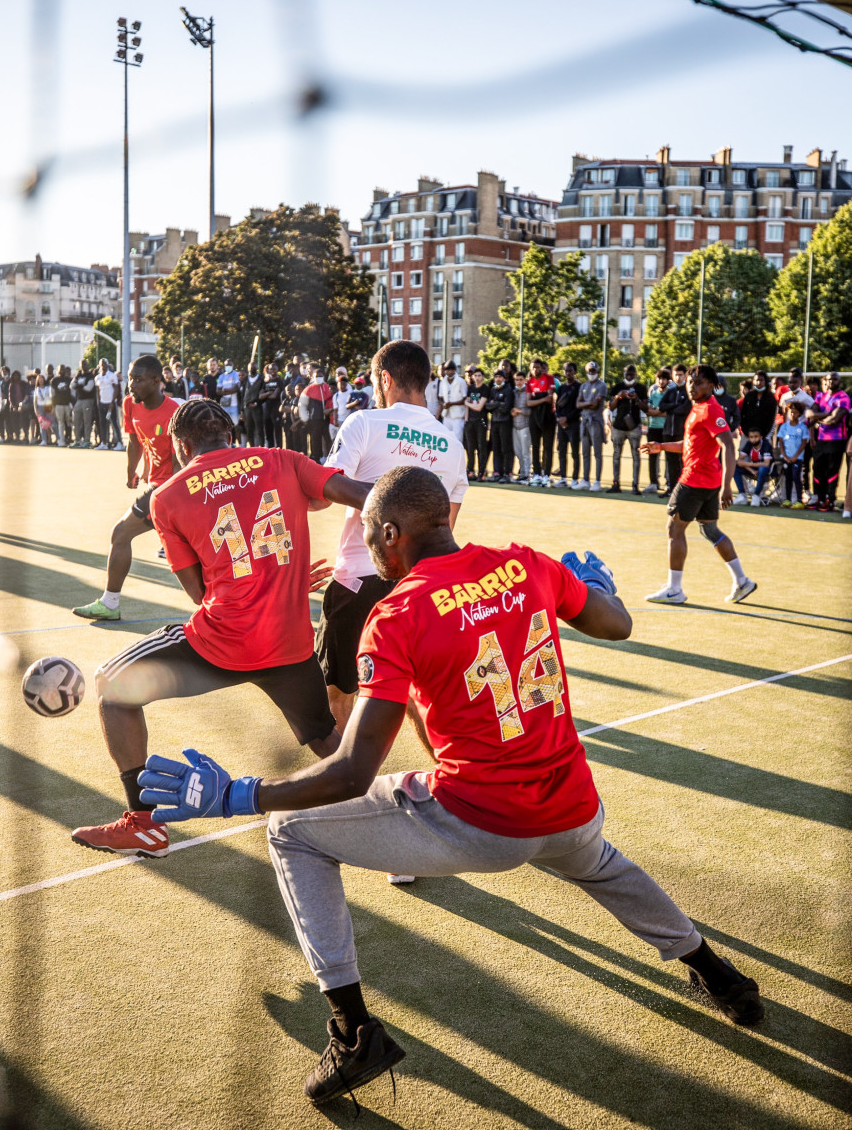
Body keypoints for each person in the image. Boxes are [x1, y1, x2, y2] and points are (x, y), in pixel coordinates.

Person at [138, 466, 764, 1107]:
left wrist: (244, 795)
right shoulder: (527, 564)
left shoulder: (397, 613)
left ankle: (355, 1035)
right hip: (573, 802)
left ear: (390, 532)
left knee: (290, 832)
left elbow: (353, 769)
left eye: (373, 539)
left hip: (483, 822)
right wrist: (598, 587)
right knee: (600, 864)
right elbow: (616, 624)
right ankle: (717, 974)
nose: (374, 553)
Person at [70, 397, 372, 858]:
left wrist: (255, 576)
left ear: (180, 444)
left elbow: (197, 592)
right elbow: (362, 494)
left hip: (221, 642)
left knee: (111, 685)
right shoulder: (282, 460)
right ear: (230, 434)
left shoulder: (167, 495)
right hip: (289, 642)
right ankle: (388, 816)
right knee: (324, 739)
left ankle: (144, 823)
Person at [317, 340, 468, 737]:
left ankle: (340, 791)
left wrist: (386, 506)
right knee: (418, 697)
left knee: (338, 694)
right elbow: (444, 529)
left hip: (359, 578)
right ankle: (452, 780)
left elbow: (325, 489)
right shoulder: (453, 447)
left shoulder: (363, 423)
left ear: (385, 378)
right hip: (421, 588)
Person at [72, 356, 181, 622]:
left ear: (157, 382)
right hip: (159, 485)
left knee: (120, 534)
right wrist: (131, 471)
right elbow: (134, 440)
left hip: (174, 489)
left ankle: (110, 604)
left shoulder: (175, 413)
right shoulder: (130, 403)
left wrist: (173, 499)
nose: (131, 384)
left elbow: (182, 463)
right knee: (126, 537)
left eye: (138, 379)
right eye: (130, 378)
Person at [641, 365, 756, 606]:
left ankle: (674, 589)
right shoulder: (699, 408)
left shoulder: (710, 410)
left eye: (699, 382)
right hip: (707, 481)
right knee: (709, 530)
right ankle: (742, 580)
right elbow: (690, 443)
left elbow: (728, 445)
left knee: (674, 529)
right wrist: (661, 446)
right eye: (691, 382)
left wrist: (727, 486)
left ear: (712, 386)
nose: (692, 386)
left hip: (695, 480)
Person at [805, 372, 850, 512]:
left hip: (836, 440)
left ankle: (830, 500)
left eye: (834, 379)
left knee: (832, 471)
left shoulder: (843, 398)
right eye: (829, 380)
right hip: (821, 439)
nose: (831, 382)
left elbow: (834, 420)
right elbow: (809, 414)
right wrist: (827, 414)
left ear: (839, 381)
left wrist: (819, 418)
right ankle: (819, 498)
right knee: (817, 469)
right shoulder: (821, 396)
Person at [608, 364, 648, 494]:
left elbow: (645, 408)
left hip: (634, 426)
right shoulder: (618, 387)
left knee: (636, 456)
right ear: (623, 374)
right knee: (616, 455)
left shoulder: (641, 388)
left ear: (635, 374)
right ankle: (615, 483)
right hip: (619, 426)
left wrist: (636, 399)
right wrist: (620, 396)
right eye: (627, 374)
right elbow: (611, 407)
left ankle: (635, 485)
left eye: (631, 374)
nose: (629, 376)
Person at [659, 363, 691, 496]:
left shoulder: (688, 391)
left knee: (683, 463)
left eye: (680, 375)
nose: (678, 377)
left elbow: (684, 409)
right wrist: (674, 405)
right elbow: (661, 406)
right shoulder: (671, 391)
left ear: (685, 375)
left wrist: (671, 408)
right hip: (668, 432)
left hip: (681, 432)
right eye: (676, 375)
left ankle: (683, 490)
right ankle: (671, 489)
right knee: (671, 463)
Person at [576, 361, 607, 492]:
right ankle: (585, 480)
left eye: (593, 371)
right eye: (589, 371)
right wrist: (588, 403)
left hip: (596, 421)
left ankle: (597, 481)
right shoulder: (583, 385)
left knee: (597, 453)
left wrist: (585, 403)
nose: (591, 373)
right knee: (585, 452)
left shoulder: (602, 385)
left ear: (597, 371)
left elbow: (596, 405)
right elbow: (578, 404)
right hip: (584, 421)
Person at [525, 359, 556, 486]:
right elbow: (528, 402)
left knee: (548, 447)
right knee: (535, 446)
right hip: (534, 417)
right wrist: (542, 398)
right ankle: (536, 474)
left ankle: (546, 474)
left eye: (537, 367)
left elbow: (550, 399)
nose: (535, 370)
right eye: (533, 368)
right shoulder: (529, 382)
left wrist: (537, 398)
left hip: (548, 416)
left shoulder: (549, 378)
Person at [774, 401, 810, 508]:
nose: (792, 415)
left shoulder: (803, 427)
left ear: (800, 414)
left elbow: (803, 444)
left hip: (797, 458)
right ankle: (788, 500)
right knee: (788, 478)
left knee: (796, 478)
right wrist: (785, 456)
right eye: (790, 412)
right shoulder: (784, 427)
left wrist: (795, 456)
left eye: (795, 412)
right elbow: (781, 442)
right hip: (786, 458)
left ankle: (799, 500)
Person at [553, 362, 581, 489]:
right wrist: (559, 418)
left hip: (573, 424)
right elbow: (558, 405)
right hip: (561, 425)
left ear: (575, 372)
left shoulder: (579, 387)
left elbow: (578, 408)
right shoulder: (562, 388)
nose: (568, 373)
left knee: (575, 452)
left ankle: (575, 479)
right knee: (561, 452)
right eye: (566, 370)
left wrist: (567, 418)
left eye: (570, 370)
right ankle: (563, 478)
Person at [644, 369, 671, 494]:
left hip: (667, 428)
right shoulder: (653, 394)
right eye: (659, 378)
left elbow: (669, 413)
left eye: (664, 379)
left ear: (668, 380)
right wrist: (660, 412)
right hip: (653, 428)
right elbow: (649, 411)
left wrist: (657, 411)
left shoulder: (671, 394)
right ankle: (653, 483)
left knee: (669, 457)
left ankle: (669, 483)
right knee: (653, 456)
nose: (661, 381)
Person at [732, 428, 774, 507]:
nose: (753, 439)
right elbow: (739, 461)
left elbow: (766, 463)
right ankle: (742, 495)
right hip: (755, 469)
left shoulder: (766, 444)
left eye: (756, 437)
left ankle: (756, 495)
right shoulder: (749, 444)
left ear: (761, 437)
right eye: (751, 437)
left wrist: (749, 464)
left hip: (767, 470)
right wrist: (751, 470)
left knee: (762, 469)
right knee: (735, 466)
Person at [486, 370, 514, 482]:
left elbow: (505, 408)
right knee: (496, 448)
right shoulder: (492, 390)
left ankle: (507, 473)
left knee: (505, 449)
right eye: (496, 377)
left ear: (504, 378)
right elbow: (487, 406)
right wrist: (498, 403)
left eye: (500, 377)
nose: (498, 379)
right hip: (495, 422)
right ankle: (497, 473)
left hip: (505, 422)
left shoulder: (508, 390)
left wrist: (495, 403)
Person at [463, 367, 489, 480]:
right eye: (475, 376)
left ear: (483, 377)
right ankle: (470, 471)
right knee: (470, 448)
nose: (477, 378)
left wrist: (467, 404)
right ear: (472, 377)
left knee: (481, 447)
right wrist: (466, 419)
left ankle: (481, 472)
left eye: (479, 375)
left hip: (481, 422)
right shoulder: (470, 388)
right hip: (470, 422)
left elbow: (479, 407)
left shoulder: (485, 389)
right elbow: (467, 406)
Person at [94, 361, 123, 450]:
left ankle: (120, 443)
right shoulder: (97, 377)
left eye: (104, 364)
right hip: (102, 403)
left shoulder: (111, 375)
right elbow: (98, 390)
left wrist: (112, 402)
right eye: (101, 364)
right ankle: (104, 443)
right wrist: (98, 402)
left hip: (110, 403)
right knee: (102, 423)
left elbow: (116, 389)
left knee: (114, 423)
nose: (103, 366)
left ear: (107, 365)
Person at [739, 371, 776, 440]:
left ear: (765, 381)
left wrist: (764, 435)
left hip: (764, 435)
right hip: (748, 434)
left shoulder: (771, 398)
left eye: (761, 380)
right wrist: (746, 432)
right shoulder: (749, 396)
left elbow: (771, 419)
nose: (759, 382)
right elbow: (742, 415)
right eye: (757, 380)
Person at [511, 370, 531, 484]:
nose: (518, 382)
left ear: (525, 380)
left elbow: (530, 410)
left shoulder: (528, 392)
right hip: (515, 426)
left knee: (525, 452)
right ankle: (522, 474)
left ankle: (527, 475)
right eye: (516, 380)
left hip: (525, 425)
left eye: (520, 380)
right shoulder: (513, 392)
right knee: (518, 452)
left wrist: (519, 411)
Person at [438, 361, 467, 441]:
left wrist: (452, 404)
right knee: (446, 439)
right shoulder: (443, 382)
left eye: (451, 370)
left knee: (457, 440)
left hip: (458, 416)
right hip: (446, 415)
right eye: (447, 370)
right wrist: (443, 404)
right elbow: (440, 397)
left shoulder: (461, 381)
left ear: (455, 370)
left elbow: (465, 399)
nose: (449, 372)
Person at [71, 359, 97, 448]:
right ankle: (77, 440)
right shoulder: (78, 375)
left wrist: (78, 386)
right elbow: (72, 386)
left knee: (87, 421)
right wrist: (81, 386)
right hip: (79, 400)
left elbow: (88, 388)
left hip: (88, 400)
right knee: (76, 421)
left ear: (87, 365)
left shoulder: (90, 376)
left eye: (85, 364)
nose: (83, 366)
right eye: (82, 364)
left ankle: (86, 441)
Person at [51, 364, 73, 446]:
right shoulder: (54, 380)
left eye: (63, 369)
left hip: (68, 404)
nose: (62, 371)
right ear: (58, 370)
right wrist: (53, 405)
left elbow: (72, 392)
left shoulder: (69, 380)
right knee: (60, 422)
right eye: (61, 369)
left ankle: (69, 437)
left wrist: (72, 403)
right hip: (58, 404)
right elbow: (52, 394)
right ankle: (61, 440)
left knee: (69, 422)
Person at [33, 373, 55, 446]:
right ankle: (44, 440)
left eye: (42, 378)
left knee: (52, 423)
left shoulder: (48, 388)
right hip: (40, 407)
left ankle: (58, 439)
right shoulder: (37, 389)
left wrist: (52, 408)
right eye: (39, 379)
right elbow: (35, 401)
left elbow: (52, 398)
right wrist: (36, 410)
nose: (41, 380)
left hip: (48, 405)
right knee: (43, 424)